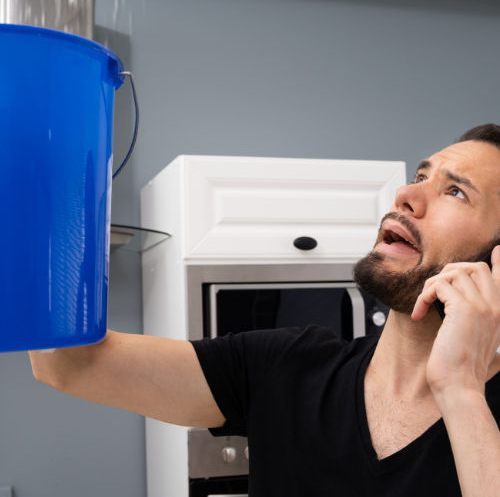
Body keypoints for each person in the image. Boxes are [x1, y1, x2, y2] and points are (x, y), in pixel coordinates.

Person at [29, 123, 500, 496]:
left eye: (455, 191)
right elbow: (72, 363)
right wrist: (34, 182)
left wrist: (460, 390)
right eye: (420, 177)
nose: (406, 195)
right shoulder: (286, 366)